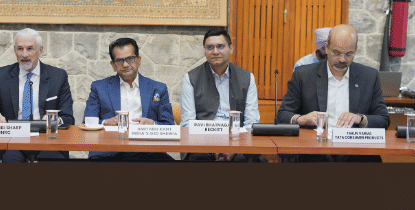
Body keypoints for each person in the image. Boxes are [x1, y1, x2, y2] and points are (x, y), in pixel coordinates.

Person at [276, 24, 389, 162]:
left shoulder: (369, 76)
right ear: (326, 48)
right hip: (315, 152)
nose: (342, 59)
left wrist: (360, 119)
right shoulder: (304, 75)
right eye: (336, 53)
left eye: (348, 54)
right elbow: (282, 115)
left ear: (356, 50)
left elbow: (383, 120)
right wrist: (300, 119)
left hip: (356, 153)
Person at [0, 28, 74, 162]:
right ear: (14, 51)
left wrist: (53, 120)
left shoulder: (58, 77)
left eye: (30, 49)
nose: (24, 54)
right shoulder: (1, 76)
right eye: (20, 49)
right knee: (9, 161)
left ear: (40, 51)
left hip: (46, 140)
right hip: (12, 141)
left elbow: (68, 117)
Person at [83, 37, 175, 161]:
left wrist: (153, 124)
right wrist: (105, 123)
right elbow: (87, 122)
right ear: (113, 65)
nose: (125, 64)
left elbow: (169, 125)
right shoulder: (99, 88)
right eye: (119, 60)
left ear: (138, 61)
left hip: (147, 150)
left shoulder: (158, 88)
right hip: (108, 150)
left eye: (130, 59)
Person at [180, 27, 261, 161]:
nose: (215, 52)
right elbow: (187, 124)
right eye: (210, 47)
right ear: (205, 51)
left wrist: (234, 148)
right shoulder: (191, 78)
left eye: (220, 46)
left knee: (246, 159)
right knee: (199, 158)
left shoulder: (247, 78)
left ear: (231, 49)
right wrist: (212, 148)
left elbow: (251, 122)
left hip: (237, 140)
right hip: (203, 142)